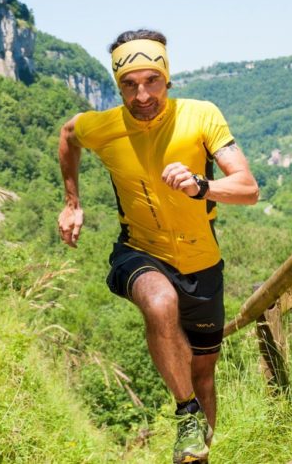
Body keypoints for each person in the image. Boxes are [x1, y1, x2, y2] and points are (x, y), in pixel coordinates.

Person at [56, 29, 259, 463]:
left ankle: (196, 453)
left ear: (168, 78)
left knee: (203, 375)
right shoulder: (103, 127)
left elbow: (248, 188)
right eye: (130, 84)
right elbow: (68, 135)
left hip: (203, 262)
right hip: (138, 251)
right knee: (159, 300)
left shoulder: (201, 116)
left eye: (152, 81)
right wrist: (72, 203)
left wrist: (202, 185)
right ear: (118, 85)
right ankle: (185, 413)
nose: (142, 94)